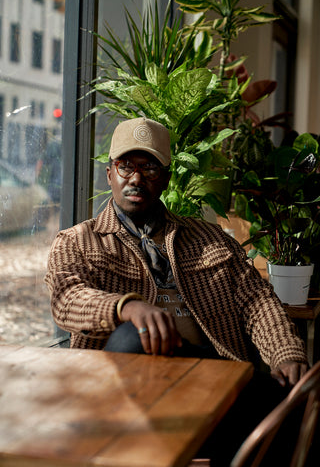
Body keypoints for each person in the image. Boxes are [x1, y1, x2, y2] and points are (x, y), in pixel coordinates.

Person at [45, 117, 310, 464]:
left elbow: (257, 301)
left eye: (149, 167)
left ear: (167, 177)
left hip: (214, 385)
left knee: (296, 398)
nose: (136, 178)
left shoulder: (208, 238)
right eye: (126, 166)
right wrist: (126, 308)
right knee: (131, 337)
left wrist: (286, 352)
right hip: (115, 400)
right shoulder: (77, 241)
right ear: (109, 173)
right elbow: (67, 297)